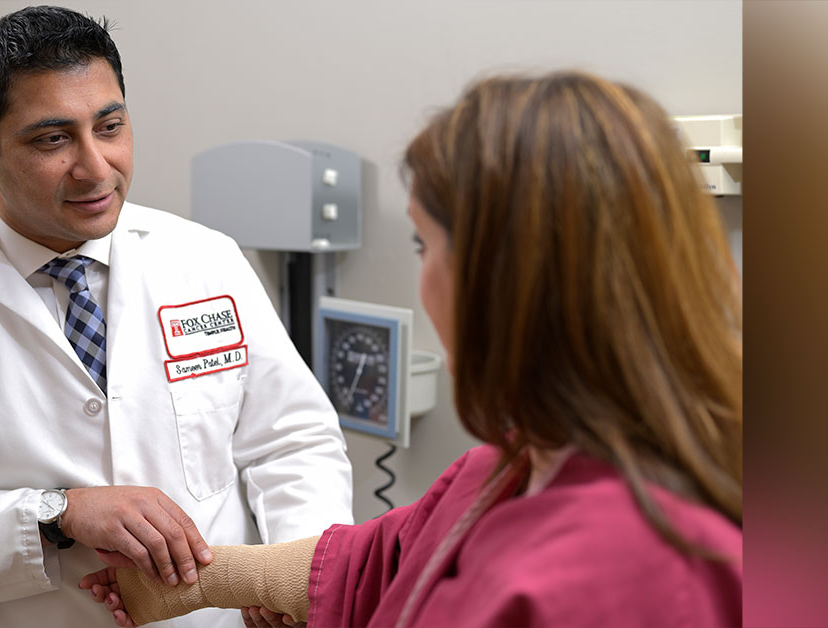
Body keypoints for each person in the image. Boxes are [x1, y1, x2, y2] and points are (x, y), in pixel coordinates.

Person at [82, 70, 743, 627]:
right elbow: (386, 558)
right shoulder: (508, 468)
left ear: (503, 282)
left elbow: (294, 438)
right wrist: (209, 581)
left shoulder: (618, 576)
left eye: (424, 245)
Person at [0, 6, 353, 627]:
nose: (97, 167)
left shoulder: (206, 261)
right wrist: (53, 515)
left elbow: (292, 442)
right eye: (53, 139)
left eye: (110, 126)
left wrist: (292, 574)